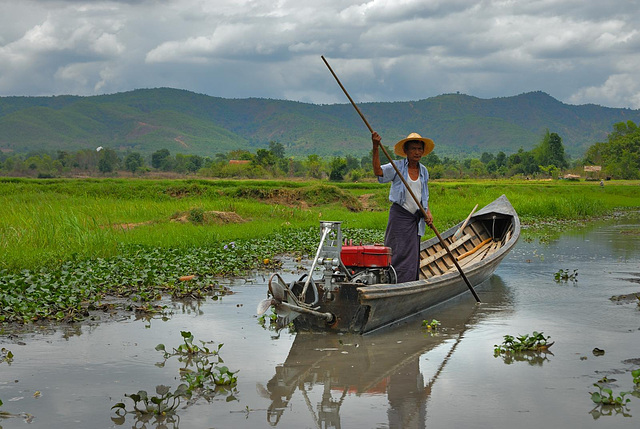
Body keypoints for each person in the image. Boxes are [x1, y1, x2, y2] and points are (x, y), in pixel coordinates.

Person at [372, 131, 434, 283]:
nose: (417, 152)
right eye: (413, 148)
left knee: (412, 256)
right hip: (400, 217)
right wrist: (375, 147)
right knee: (396, 251)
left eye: (420, 149)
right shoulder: (397, 166)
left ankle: (408, 283)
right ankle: (391, 281)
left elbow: (423, 195)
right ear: (406, 151)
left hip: (415, 220)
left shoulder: (424, 171)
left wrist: (427, 212)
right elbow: (378, 172)